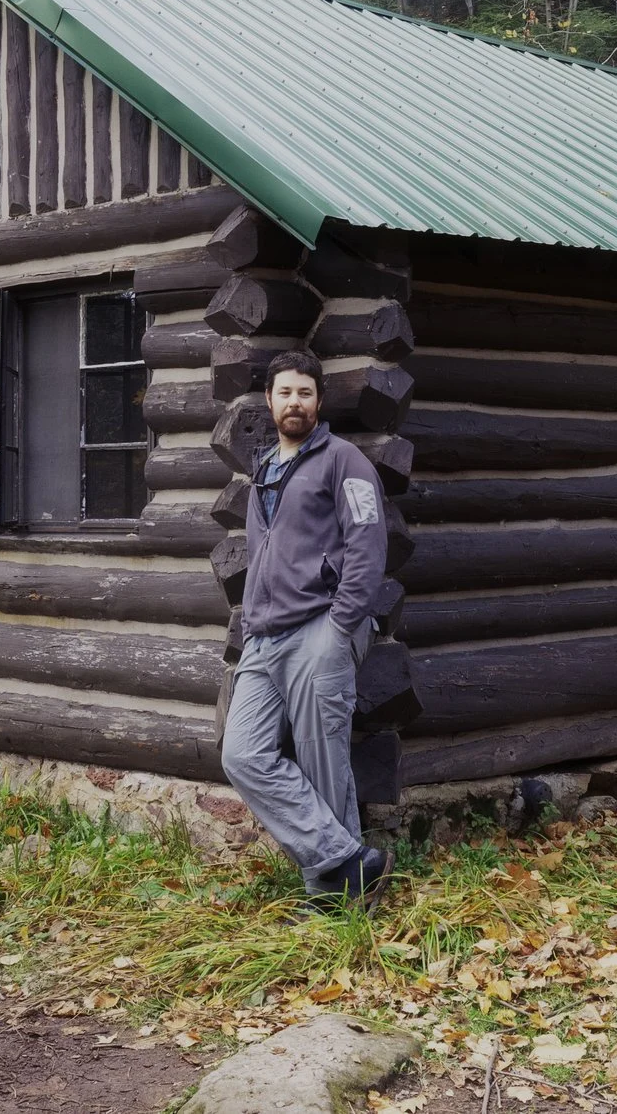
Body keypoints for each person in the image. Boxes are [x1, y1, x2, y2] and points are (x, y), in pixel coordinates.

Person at [219, 349, 392, 907]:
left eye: (305, 393)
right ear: (269, 401)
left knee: (323, 762)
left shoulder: (345, 462)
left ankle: (331, 895)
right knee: (242, 755)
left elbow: (368, 546)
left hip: (321, 628)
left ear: (319, 400)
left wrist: (339, 626)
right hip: (264, 637)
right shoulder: (265, 468)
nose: (294, 402)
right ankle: (349, 863)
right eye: (285, 392)